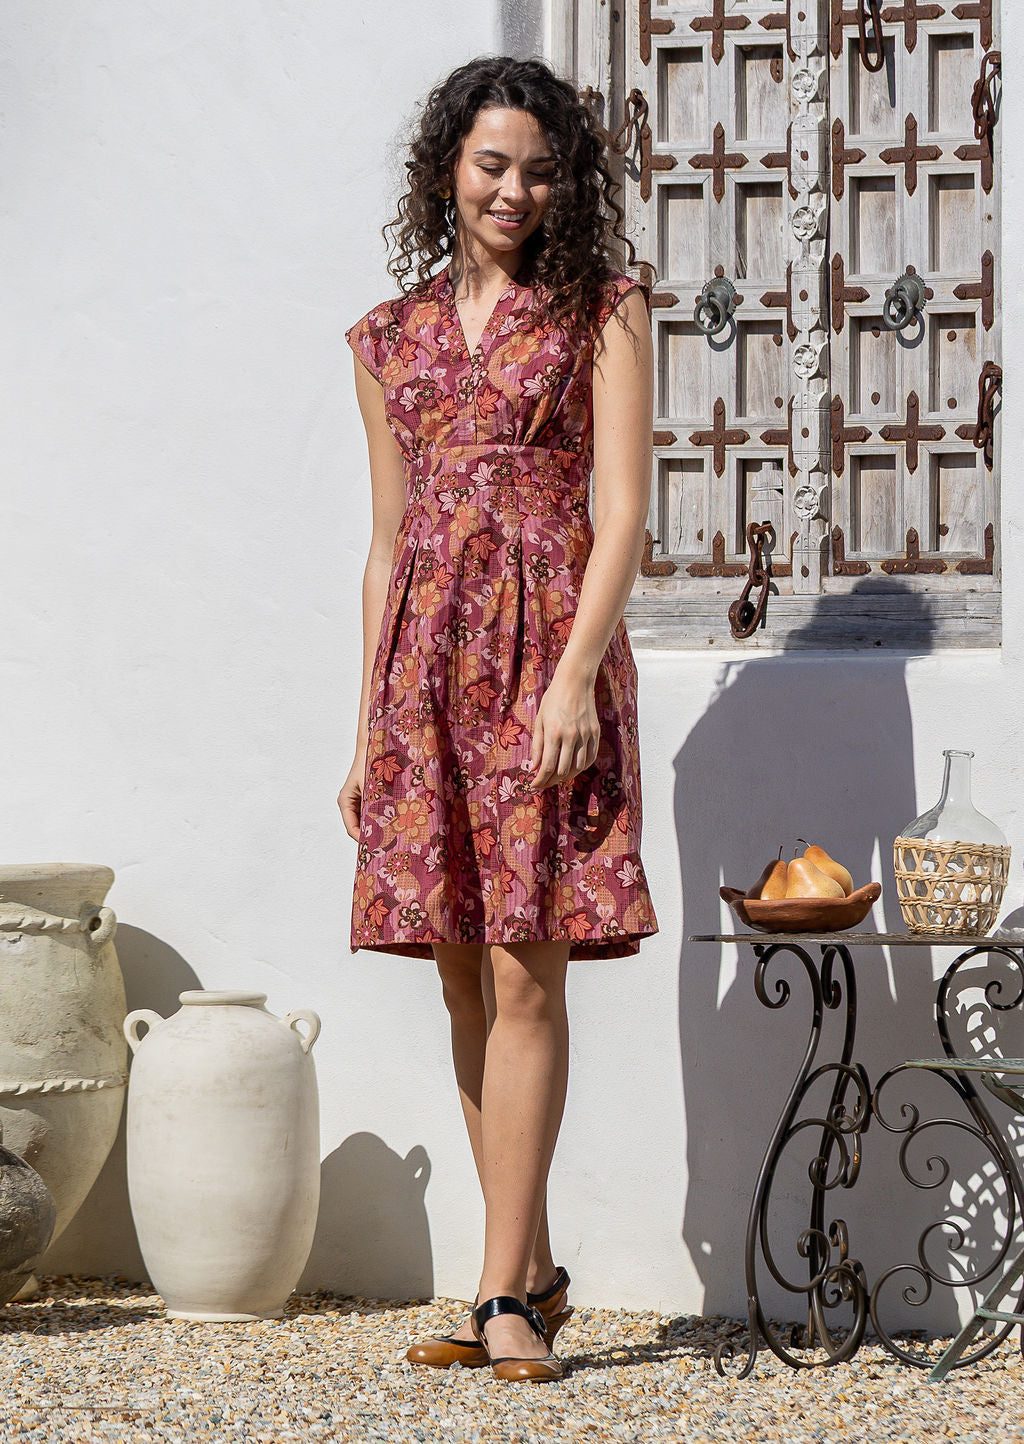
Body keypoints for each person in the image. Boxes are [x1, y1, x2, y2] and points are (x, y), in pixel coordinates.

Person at [337, 54, 659, 1383]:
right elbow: (386, 540)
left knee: (530, 966)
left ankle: (500, 1299)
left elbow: (627, 511)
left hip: (545, 666)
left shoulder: (605, 310)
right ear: (448, 170)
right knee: (464, 970)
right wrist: (365, 730)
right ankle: (523, 1275)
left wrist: (576, 674)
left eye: (538, 167)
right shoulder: (388, 338)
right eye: (492, 164)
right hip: (423, 680)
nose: (516, 188)